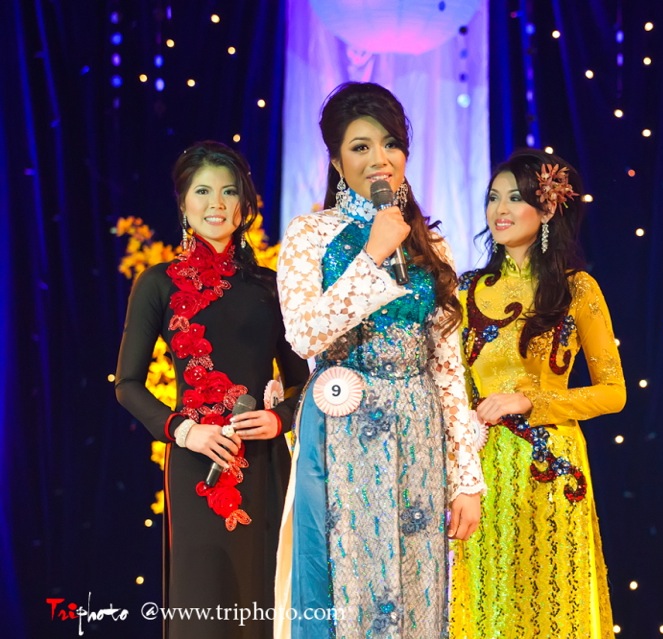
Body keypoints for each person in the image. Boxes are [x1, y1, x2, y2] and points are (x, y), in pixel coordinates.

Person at [272, 81, 485, 638]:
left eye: (390, 144)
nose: (378, 159)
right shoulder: (308, 234)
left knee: (417, 592)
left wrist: (466, 478)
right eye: (360, 147)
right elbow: (304, 333)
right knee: (350, 588)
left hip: (418, 428)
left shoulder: (430, 245)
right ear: (337, 161)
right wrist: (372, 254)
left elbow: (447, 369)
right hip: (343, 428)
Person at [115, 140, 309, 638]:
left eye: (228, 192)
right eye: (203, 191)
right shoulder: (157, 283)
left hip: (264, 462)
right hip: (195, 463)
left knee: (264, 602)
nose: (216, 204)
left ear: (243, 205)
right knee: (202, 605)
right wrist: (184, 432)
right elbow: (129, 385)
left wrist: (279, 419)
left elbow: (303, 382)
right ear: (183, 203)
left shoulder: (272, 285)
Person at [449, 149, 626, 639]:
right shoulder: (467, 292)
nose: (499, 209)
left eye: (516, 198)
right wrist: (459, 473)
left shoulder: (576, 289)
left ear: (547, 211)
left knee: (554, 607)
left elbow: (614, 393)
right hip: (484, 472)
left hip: (552, 469)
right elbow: (457, 395)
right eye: (492, 198)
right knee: (489, 605)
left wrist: (535, 401)